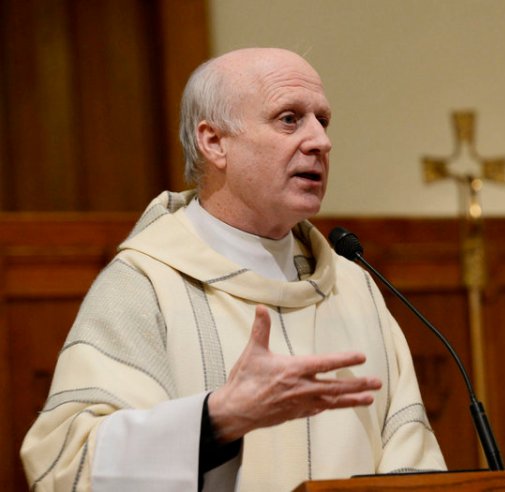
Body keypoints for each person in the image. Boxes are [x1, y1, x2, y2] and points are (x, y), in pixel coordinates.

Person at [20, 47, 446, 491]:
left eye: (323, 120)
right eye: (289, 118)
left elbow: (410, 459)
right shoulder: (145, 284)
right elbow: (68, 464)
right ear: (214, 142)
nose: (321, 141)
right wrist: (216, 420)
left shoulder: (353, 286)